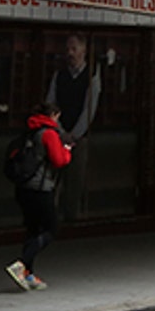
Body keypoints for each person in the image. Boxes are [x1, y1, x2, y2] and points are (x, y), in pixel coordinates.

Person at [5, 102, 72, 292]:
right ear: (53, 115)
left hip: (23, 188)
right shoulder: (49, 134)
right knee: (51, 228)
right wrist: (67, 150)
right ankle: (22, 264)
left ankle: (29, 274)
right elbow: (59, 161)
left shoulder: (30, 130)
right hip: (41, 189)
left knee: (33, 230)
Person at [45, 34, 100, 219]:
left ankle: (72, 215)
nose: (70, 53)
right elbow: (50, 104)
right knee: (53, 177)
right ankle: (52, 213)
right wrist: (60, 131)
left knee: (76, 178)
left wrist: (74, 135)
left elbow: (89, 110)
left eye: (74, 49)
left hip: (79, 137)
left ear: (83, 51)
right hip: (59, 134)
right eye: (67, 49)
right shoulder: (59, 76)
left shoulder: (92, 76)